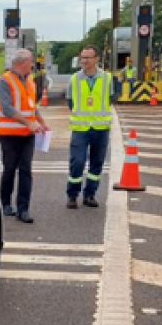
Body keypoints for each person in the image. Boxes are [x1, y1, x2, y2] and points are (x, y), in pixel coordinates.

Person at [0, 49, 49, 223]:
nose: (32, 65)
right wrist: (29, 123)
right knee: (9, 169)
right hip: (10, 134)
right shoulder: (4, 81)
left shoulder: (30, 81)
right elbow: (7, 108)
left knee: (26, 170)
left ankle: (23, 209)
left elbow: (32, 106)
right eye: (31, 61)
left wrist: (41, 121)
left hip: (27, 135)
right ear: (23, 62)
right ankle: (5, 203)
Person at [66, 45, 115, 209]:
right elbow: (70, 102)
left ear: (97, 59)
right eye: (83, 58)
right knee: (77, 162)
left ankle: (90, 195)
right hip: (81, 128)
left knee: (97, 163)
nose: (85, 61)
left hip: (101, 128)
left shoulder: (107, 78)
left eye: (88, 57)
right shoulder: (74, 79)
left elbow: (109, 99)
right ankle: (72, 195)